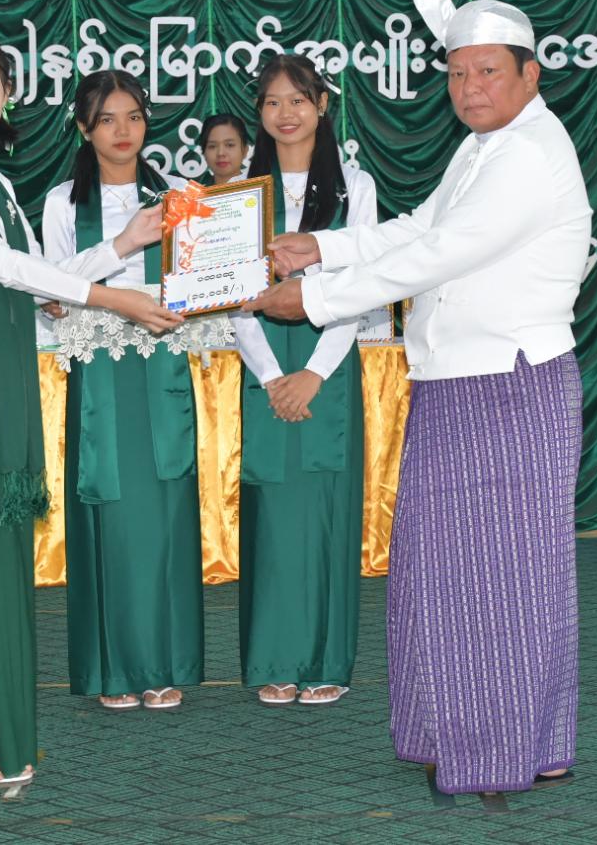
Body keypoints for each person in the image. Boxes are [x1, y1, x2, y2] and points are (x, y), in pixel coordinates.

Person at [243, 0, 593, 795]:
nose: (470, 88)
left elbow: (439, 255)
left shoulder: (530, 154)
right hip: (460, 382)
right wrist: (322, 247)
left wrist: (313, 298)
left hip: (506, 383)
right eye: (458, 73)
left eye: (489, 72)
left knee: (495, 578)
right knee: (454, 571)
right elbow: (418, 227)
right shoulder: (484, 147)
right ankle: (515, 738)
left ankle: (495, 754)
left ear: (531, 72)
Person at [0, 29, 180, 789]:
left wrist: (125, 242)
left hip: (4, 367)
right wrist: (115, 296)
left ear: (8, 97)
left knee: (2, 559)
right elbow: (0, 265)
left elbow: (39, 276)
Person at [41, 70, 202, 712]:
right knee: (110, 515)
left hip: (162, 368)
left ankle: (163, 665)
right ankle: (114, 669)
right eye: (106, 119)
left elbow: (208, 280)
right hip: (101, 371)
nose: (122, 130)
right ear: (84, 128)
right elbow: (50, 285)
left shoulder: (180, 196)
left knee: (164, 517)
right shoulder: (62, 203)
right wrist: (122, 245)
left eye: (133, 116)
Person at [233, 54, 376, 708]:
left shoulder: (355, 188)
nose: (285, 113)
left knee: (325, 516)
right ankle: (274, 659)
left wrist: (314, 373)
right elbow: (233, 300)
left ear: (322, 104)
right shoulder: (241, 196)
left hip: (329, 365)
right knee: (273, 517)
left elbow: (363, 286)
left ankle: (325, 660)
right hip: (264, 366)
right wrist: (272, 376)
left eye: (298, 99)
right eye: (272, 102)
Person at [197, 113, 251, 185]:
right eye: (212, 146)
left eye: (230, 145)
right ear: (204, 152)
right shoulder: (194, 191)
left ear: (245, 150)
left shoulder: (261, 188)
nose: (220, 153)